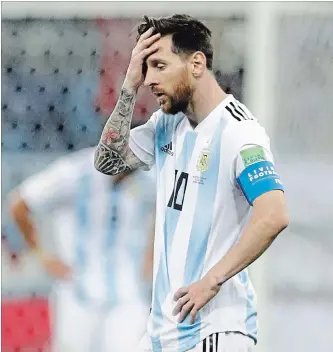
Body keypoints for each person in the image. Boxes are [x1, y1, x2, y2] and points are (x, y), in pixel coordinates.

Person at [94, 14, 289, 352]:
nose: (150, 79)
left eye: (159, 65)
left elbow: (274, 215)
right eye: (145, 67)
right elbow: (107, 163)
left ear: (196, 63)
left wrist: (211, 282)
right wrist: (128, 85)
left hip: (214, 329)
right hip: (164, 332)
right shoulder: (166, 126)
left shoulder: (239, 131)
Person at [9, 146, 155, 352]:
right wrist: (42, 256)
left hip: (128, 292)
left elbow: (171, 210)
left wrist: (152, 253)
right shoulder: (73, 172)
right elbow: (19, 204)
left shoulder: (148, 176)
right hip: (78, 292)